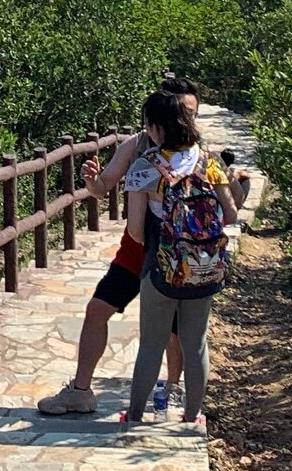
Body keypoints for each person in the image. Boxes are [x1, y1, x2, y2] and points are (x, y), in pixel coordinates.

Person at [35, 80, 197, 416]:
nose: (188, 120)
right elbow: (104, 187)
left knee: (173, 330)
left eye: (191, 113)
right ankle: (81, 392)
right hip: (135, 251)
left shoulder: (196, 155)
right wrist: (91, 180)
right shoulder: (136, 147)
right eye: (184, 112)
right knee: (97, 309)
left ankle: (173, 390)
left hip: (175, 255)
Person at [122, 89, 238, 428]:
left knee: (151, 346)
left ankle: (135, 415)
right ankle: (191, 416)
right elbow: (229, 215)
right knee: (196, 344)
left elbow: (135, 230)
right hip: (203, 268)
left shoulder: (146, 166)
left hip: (161, 267)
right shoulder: (209, 161)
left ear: (156, 128)